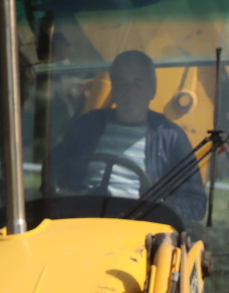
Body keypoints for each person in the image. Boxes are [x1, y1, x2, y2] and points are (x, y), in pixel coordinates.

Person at [49, 49, 207, 222]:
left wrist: (158, 209)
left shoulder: (170, 138)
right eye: (122, 82)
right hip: (83, 220)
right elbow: (51, 172)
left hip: (140, 230)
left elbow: (196, 202)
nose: (129, 91)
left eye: (137, 83)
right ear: (113, 88)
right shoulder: (88, 126)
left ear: (152, 90)